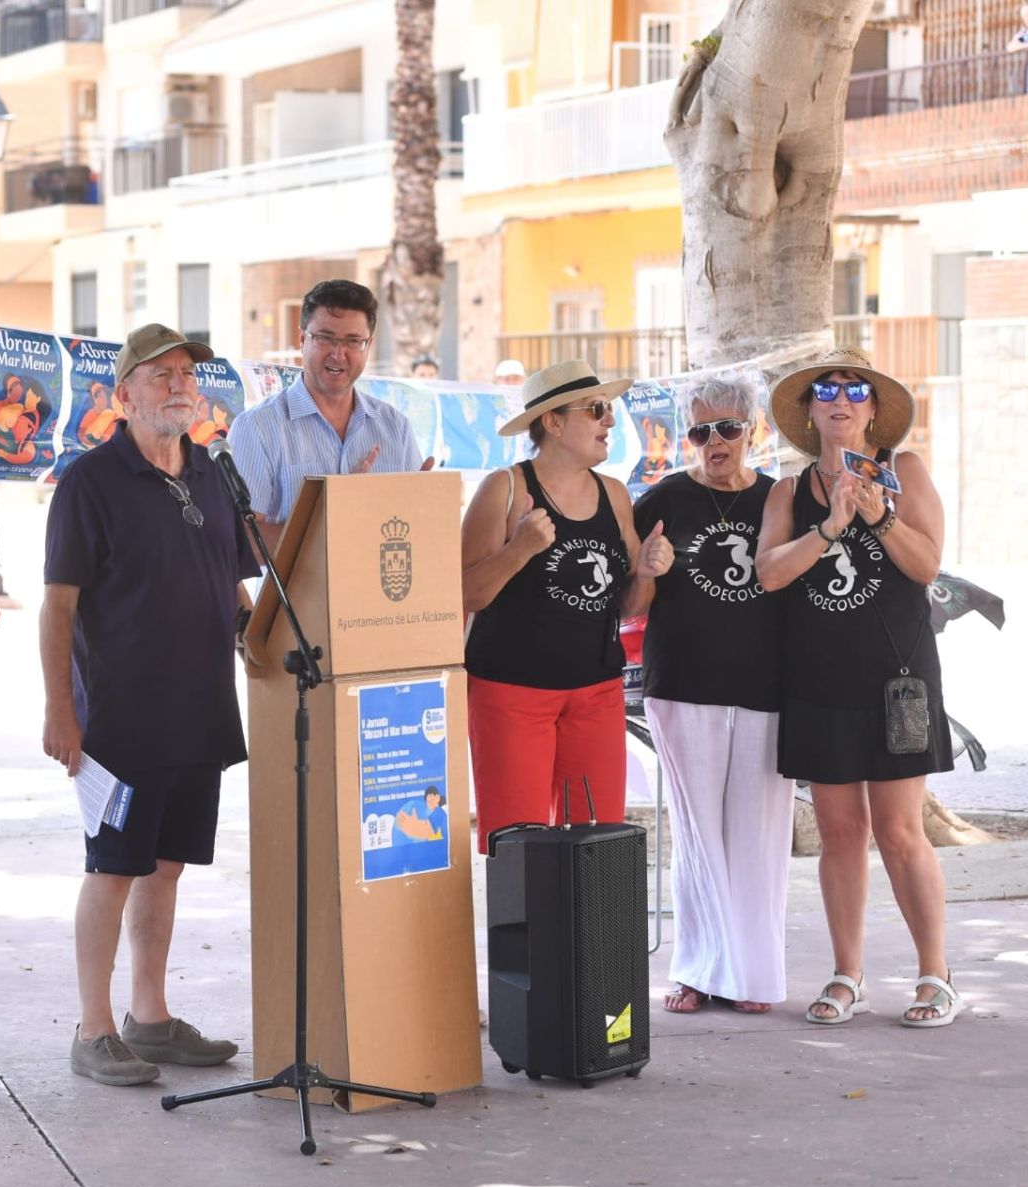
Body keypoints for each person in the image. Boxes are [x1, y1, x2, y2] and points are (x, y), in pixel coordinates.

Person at [41, 322, 260, 1086]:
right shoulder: (90, 481)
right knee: (114, 867)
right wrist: (58, 712)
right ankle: (93, 1030)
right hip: (119, 716)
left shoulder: (209, 472)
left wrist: (259, 643)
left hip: (200, 707)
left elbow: (232, 583)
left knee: (166, 867)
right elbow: (57, 607)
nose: (177, 385)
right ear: (121, 394)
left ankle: (152, 1018)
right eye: (159, 374)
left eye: (186, 374)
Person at [754, 349, 958, 1029]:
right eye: (826, 389)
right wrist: (831, 526)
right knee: (841, 834)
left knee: (900, 831)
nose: (840, 399)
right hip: (818, 682)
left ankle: (936, 976)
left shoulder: (905, 472)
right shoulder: (789, 492)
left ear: (873, 409)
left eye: (855, 389)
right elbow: (771, 574)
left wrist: (878, 515)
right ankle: (848, 975)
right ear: (810, 412)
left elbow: (927, 565)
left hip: (897, 684)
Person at [625, 374, 792, 1016]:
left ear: (753, 431)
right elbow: (630, 606)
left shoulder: (780, 498)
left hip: (767, 685)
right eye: (701, 430)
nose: (714, 442)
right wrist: (646, 571)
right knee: (697, 836)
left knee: (759, 831)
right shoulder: (663, 498)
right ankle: (696, 968)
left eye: (727, 428)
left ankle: (751, 972)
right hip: (684, 684)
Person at [460, 359, 671, 846]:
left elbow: (629, 608)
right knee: (517, 842)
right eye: (596, 410)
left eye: (609, 410)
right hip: (512, 694)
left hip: (595, 692)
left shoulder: (615, 495)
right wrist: (519, 551)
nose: (610, 422)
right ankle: (525, 929)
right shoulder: (506, 488)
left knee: (597, 844)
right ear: (553, 423)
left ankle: (588, 928)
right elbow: (464, 595)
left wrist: (646, 573)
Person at [227, 279, 433, 554]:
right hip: (297, 598)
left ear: (368, 345)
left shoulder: (395, 427)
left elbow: (417, 529)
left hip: (379, 595)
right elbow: (241, 540)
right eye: (325, 338)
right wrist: (337, 519)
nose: (339, 354)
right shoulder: (256, 428)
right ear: (302, 340)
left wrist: (429, 507)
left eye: (353, 341)